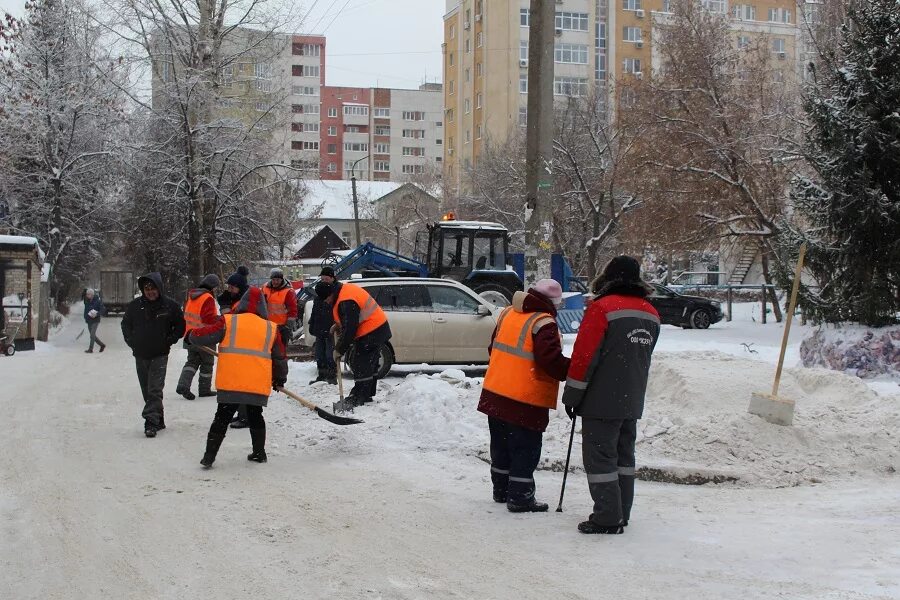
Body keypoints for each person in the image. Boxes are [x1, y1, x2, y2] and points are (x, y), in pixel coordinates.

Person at [562, 256, 660, 535]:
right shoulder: (651, 312)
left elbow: (584, 357)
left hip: (600, 400)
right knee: (623, 458)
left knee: (601, 459)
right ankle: (621, 512)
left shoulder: (602, 308)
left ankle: (606, 517)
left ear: (608, 277)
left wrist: (572, 396)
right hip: (632, 398)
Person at [477, 279, 570, 513]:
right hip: (525, 398)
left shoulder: (508, 313)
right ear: (553, 302)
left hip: (496, 391)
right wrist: (574, 369)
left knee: (501, 445)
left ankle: (501, 490)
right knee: (525, 448)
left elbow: (493, 348)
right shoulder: (543, 322)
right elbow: (551, 361)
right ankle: (520, 497)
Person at [191, 287, 288, 468]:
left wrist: (192, 335)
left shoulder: (228, 322)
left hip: (231, 381)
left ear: (241, 303)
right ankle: (259, 453)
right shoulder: (271, 328)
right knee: (255, 415)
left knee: (221, 418)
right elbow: (280, 358)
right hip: (256, 383)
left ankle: (209, 457)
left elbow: (201, 336)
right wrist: (279, 379)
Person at [121, 272, 186, 438]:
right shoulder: (135, 306)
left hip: (160, 354)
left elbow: (180, 326)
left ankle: (150, 422)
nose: (150, 292)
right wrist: (131, 341)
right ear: (143, 290)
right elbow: (125, 324)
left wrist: (169, 340)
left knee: (154, 389)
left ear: (159, 288)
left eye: (153, 288)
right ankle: (159, 418)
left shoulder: (170, 306)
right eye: (147, 289)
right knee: (146, 390)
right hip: (140, 354)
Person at [329, 278, 391, 408]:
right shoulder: (344, 292)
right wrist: (338, 325)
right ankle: (367, 393)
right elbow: (350, 319)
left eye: (326, 299)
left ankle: (359, 396)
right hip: (378, 328)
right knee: (369, 363)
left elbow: (350, 329)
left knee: (361, 363)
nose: (327, 302)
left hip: (372, 330)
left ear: (330, 294)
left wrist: (339, 349)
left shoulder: (346, 300)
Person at [176, 274, 220, 400]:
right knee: (207, 363)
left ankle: (183, 384)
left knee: (192, 362)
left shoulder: (192, 296)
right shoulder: (208, 298)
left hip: (190, 335)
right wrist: (220, 319)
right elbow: (208, 319)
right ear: (212, 287)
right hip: (204, 336)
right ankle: (204, 390)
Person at [308, 269, 337, 385]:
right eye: (323, 279)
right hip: (320, 329)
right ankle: (322, 375)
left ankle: (331, 376)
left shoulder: (336, 292)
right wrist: (312, 324)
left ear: (332, 278)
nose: (324, 281)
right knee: (319, 354)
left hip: (331, 329)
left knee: (330, 354)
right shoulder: (319, 292)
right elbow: (315, 311)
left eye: (327, 279)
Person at [262, 267, 298, 349]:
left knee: (280, 352)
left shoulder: (288, 292)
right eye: (274, 279)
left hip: (282, 327)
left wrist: (288, 327)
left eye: (278, 280)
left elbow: (292, 311)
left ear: (282, 279)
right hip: (268, 325)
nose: (275, 282)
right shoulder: (265, 288)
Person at [83, 288, 106, 353]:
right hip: (89, 320)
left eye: (88, 294)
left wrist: (97, 314)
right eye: (87, 294)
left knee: (92, 335)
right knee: (93, 336)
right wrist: (85, 317)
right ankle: (102, 345)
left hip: (95, 320)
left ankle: (90, 349)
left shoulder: (97, 301)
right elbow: (86, 310)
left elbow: (103, 310)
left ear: (92, 295)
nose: (87, 295)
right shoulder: (87, 301)